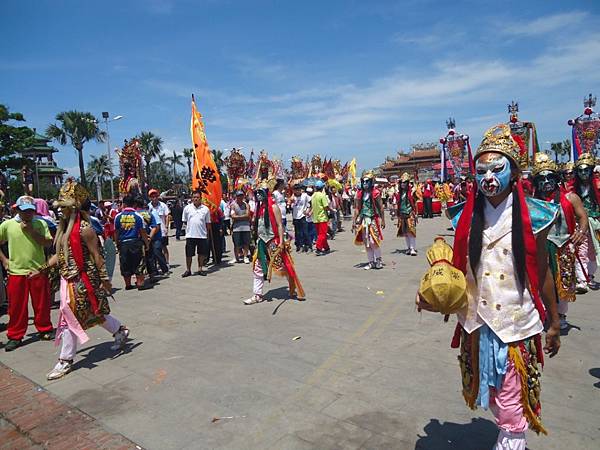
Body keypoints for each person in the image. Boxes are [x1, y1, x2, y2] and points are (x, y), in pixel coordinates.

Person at [422, 124, 561, 450]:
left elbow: (542, 272)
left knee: (513, 404)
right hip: (477, 322)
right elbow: (459, 272)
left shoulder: (536, 216)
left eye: (497, 169)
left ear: (513, 172)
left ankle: (513, 440)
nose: (488, 178)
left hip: (515, 323)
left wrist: (553, 321)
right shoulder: (463, 217)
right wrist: (434, 297)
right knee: (494, 394)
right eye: (481, 171)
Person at [33, 179, 129, 380]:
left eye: (64, 207)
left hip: (84, 280)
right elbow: (58, 256)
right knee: (92, 313)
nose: (59, 211)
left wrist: (105, 280)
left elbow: (98, 255)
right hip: (67, 280)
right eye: (58, 207)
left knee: (69, 319)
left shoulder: (85, 229)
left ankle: (65, 360)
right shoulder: (62, 231)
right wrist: (41, 269)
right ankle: (120, 330)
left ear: (74, 207)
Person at [531, 153, 588, 330]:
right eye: (541, 178)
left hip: (563, 246)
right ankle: (543, 313)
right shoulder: (533, 202)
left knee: (564, 282)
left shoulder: (571, 198)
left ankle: (561, 315)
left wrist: (581, 231)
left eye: (549, 177)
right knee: (540, 281)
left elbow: (582, 217)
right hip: (541, 248)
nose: (546, 181)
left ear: (556, 179)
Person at [0, 196, 54, 352]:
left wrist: (32, 232)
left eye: (31, 211)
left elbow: (48, 243)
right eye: (24, 211)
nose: (28, 214)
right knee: (17, 307)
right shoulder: (7, 225)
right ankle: (15, 335)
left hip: (38, 270)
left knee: (42, 303)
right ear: (17, 210)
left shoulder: (40, 223)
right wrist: (4, 260)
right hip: (16, 272)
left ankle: (44, 328)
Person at [244, 182, 305, 305]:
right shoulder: (259, 208)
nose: (258, 196)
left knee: (285, 267)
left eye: (260, 193)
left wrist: (281, 242)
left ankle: (294, 288)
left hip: (274, 242)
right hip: (261, 242)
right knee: (257, 267)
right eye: (257, 194)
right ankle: (257, 294)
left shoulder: (274, 207)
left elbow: (279, 225)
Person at [571, 153, 600, 293]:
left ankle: (589, 275)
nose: (583, 173)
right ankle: (581, 280)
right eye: (580, 170)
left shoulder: (598, 186)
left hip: (596, 224)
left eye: (586, 170)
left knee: (594, 252)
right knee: (581, 250)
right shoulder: (572, 188)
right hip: (579, 223)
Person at [114, 195, 149, 290]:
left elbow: (116, 232)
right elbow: (143, 232)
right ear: (134, 204)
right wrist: (147, 244)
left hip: (123, 243)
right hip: (135, 242)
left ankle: (128, 285)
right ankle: (140, 283)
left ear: (124, 204)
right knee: (139, 263)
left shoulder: (118, 217)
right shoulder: (138, 216)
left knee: (125, 263)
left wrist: (117, 243)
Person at [353, 172, 385, 269]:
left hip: (373, 219)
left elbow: (381, 207)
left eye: (367, 182)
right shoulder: (360, 194)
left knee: (373, 241)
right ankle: (371, 262)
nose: (365, 184)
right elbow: (357, 208)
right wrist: (354, 221)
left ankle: (378, 260)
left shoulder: (375, 193)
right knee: (366, 242)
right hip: (363, 220)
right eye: (363, 182)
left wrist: (383, 220)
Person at [182, 190, 212, 277]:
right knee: (189, 254)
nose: (195, 199)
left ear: (201, 198)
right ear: (192, 198)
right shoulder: (187, 208)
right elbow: (185, 221)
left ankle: (200, 268)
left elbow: (208, 223)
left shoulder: (205, 209)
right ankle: (188, 270)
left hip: (202, 235)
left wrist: (208, 235)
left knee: (201, 253)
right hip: (190, 235)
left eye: (197, 197)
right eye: (194, 197)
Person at [396, 173, 418, 256]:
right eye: (401, 183)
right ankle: (408, 248)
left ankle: (412, 248)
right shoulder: (399, 194)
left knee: (411, 231)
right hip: (402, 213)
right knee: (405, 232)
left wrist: (416, 213)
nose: (403, 184)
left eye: (404, 183)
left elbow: (415, 203)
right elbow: (397, 204)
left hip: (410, 213)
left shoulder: (411, 192)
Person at [148, 189, 170, 265]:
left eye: (155, 196)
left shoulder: (163, 205)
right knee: (154, 248)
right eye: (152, 196)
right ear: (150, 197)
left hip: (162, 231)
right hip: (152, 231)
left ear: (158, 196)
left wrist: (167, 227)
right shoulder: (148, 206)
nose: (154, 198)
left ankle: (166, 263)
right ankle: (157, 264)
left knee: (164, 247)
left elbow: (167, 216)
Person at [230, 190, 251, 263]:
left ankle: (245, 257)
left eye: (241, 196)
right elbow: (233, 216)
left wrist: (238, 217)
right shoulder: (233, 205)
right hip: (236, 228)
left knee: (246, 243)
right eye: (239, 196)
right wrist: (243, 216)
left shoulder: (246, 205)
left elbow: (248, 215)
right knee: (236, 244)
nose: (240, 197)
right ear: (236, 197)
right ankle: (236, 258)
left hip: (246, 227)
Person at [312, 180, 330, 256]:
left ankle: (326, 247)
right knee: (322, 234)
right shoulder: (322, 195)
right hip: (322, 217)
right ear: (322, 187)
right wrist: (330, 211)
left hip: (316, 218)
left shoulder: (313, 195)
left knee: (321, 234)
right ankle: (318, 248)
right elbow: (326, 206)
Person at [291, 184, 310, 252]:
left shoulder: (304, 195)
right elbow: (290, 205)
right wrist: (291, 201)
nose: (298, 191)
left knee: (305, 232)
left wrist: (308, 210)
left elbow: (310, 202)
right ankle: (299, 246)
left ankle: (308, 245)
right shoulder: (293, 197)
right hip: (295, 217)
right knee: (297, 232)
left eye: (299, 190)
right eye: (296, 190)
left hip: (302, 215)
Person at [305, 187, 316, 251]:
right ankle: (309, 243)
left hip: (310, 217)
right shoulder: (307, 197)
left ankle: (310, 243)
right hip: (308, 216)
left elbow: (311, 207)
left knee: (311, 231)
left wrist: (309, 213)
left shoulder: (311, 198)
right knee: (309, 231)